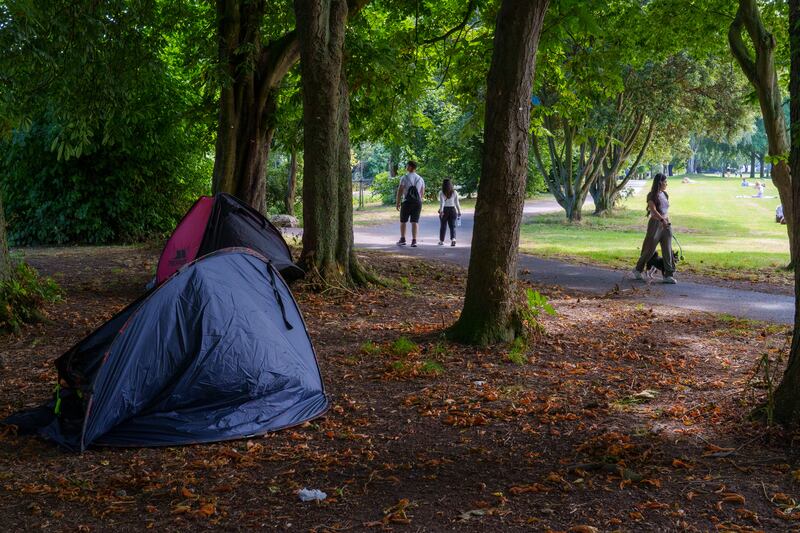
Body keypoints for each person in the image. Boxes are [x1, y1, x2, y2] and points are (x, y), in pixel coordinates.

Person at [632, 173, 677, 284]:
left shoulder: (665, 194)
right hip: (655, 225)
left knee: (668, 249)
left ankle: (668, 274)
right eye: (665, 182)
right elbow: (653, 211)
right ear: (660, 182)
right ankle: (638, 269)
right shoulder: (651, 195)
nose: (666, 184)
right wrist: (662, 220)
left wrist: (667, 222)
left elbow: (666, 210)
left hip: (666, 224)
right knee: (649, 250)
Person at [395, 161, 425, 247]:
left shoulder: (404, 178)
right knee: (415, 221)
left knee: (403, 221)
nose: (406, 167)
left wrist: (397, 202)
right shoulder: (420, 178)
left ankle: (403, 239)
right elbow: (422, 192)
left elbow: (400, 191)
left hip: (407, 202)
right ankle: (414, 241)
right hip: (417, 202)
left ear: (411, 167)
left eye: (407, 165)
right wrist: (419, 200)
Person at [438, 178, 461, 246]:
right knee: (452, 226)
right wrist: (459, 211)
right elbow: (457, 203)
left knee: (443, 226)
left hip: (444, 210)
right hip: (452, 210)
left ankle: (441, 241)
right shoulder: (454, 192)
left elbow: (442, 203)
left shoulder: (441, 192)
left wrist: (441, 211)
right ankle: (453, 239)